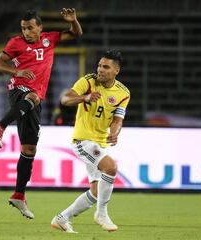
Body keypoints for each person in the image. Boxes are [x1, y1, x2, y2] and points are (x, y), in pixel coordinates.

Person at [0, 9, 82, 219]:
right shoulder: (16, 43)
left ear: (40, 27)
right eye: (23, 28)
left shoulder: (50, 39)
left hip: (33, 100)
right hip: (19, 90)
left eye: (30, 28)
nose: (27, 32)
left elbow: (76, 34)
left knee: (29, 149)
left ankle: (19, 194)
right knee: (33, 97)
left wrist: (74, 20)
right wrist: (16, 72)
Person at [50, 50, 130, 233]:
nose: (100, 70)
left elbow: (118, 119)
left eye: (106, 67)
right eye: (100, 65)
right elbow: (65, 99)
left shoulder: (123, 93)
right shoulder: (87, 81)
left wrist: (115, 132)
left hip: (100, 143)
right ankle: (101, 214)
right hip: (83, 140)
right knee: (111, 168)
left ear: (116, 71)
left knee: (95, 192)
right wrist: (84, 98)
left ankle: (62, 218)